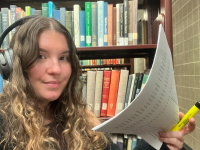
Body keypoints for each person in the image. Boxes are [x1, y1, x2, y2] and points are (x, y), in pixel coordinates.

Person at [0, 16, 195, 150]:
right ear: (15, 64)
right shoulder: (3, 125)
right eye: (41, 56)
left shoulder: (80, 120)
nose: (56, 69)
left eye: (64, 58)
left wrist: (161, 140)